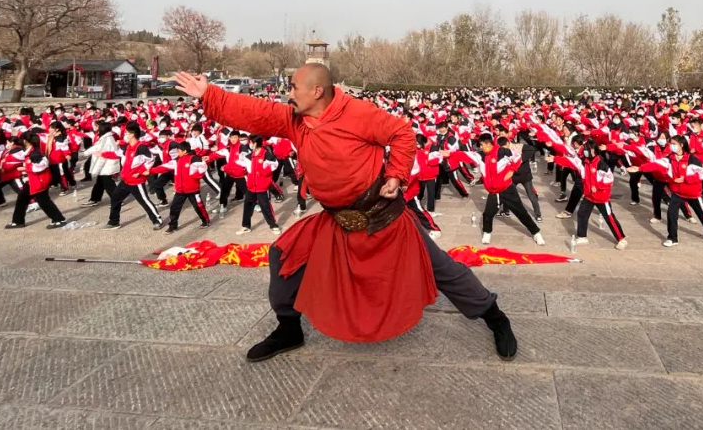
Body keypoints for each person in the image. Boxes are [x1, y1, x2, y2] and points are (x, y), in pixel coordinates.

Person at [173, 65, 521, 363]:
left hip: (383, 218)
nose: (288, 93)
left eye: (294, 87)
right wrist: (210, 95)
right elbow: (255, 113)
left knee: (441, 268)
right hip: (336, 221)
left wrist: (396, 174)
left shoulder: (357, 113)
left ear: (317, 90)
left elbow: (401, 133)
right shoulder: (295, 120)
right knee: (284, 256)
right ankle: (288, 329)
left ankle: (494, 316)